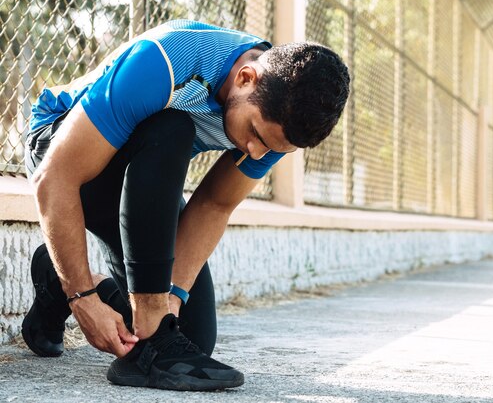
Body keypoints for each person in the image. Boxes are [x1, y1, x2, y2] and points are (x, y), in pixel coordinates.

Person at [21, 19, 350, 391]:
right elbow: (55, 176)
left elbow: (214, 204)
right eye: (256, 135)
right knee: (173, 127)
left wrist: (171, 299)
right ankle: (73, 286)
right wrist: (83, 298)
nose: (255, 152)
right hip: (60, 145)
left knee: (188, 340)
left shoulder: (277, 121)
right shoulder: (168, 59)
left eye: (274, 149)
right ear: (245, 78)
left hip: (140, 175)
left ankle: (54, 276)